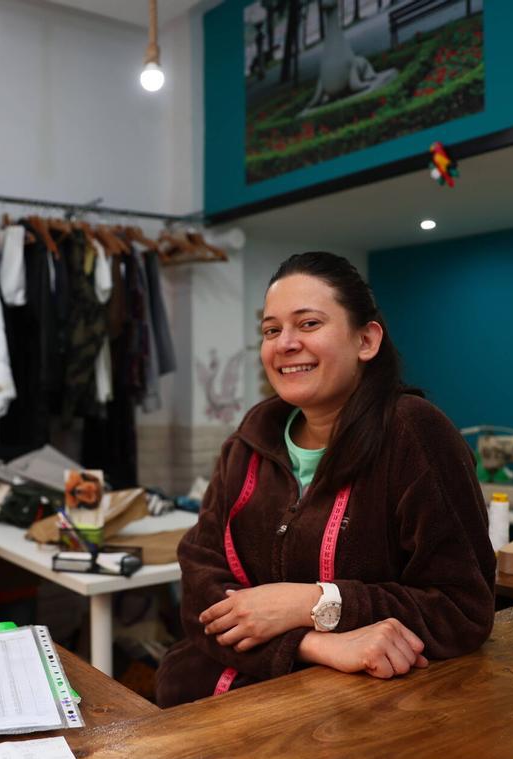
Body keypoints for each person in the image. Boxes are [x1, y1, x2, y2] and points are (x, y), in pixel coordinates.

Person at [155, 252, 495, 708]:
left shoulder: (414, 434)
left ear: (366, 340)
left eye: (309, 323)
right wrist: (313, 643)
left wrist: (312, 602)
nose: (285, 343)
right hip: (221, 701)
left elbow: (462, 609)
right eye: (271, 330)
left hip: (357, 714)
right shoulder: (248, 443)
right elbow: (201, 591)